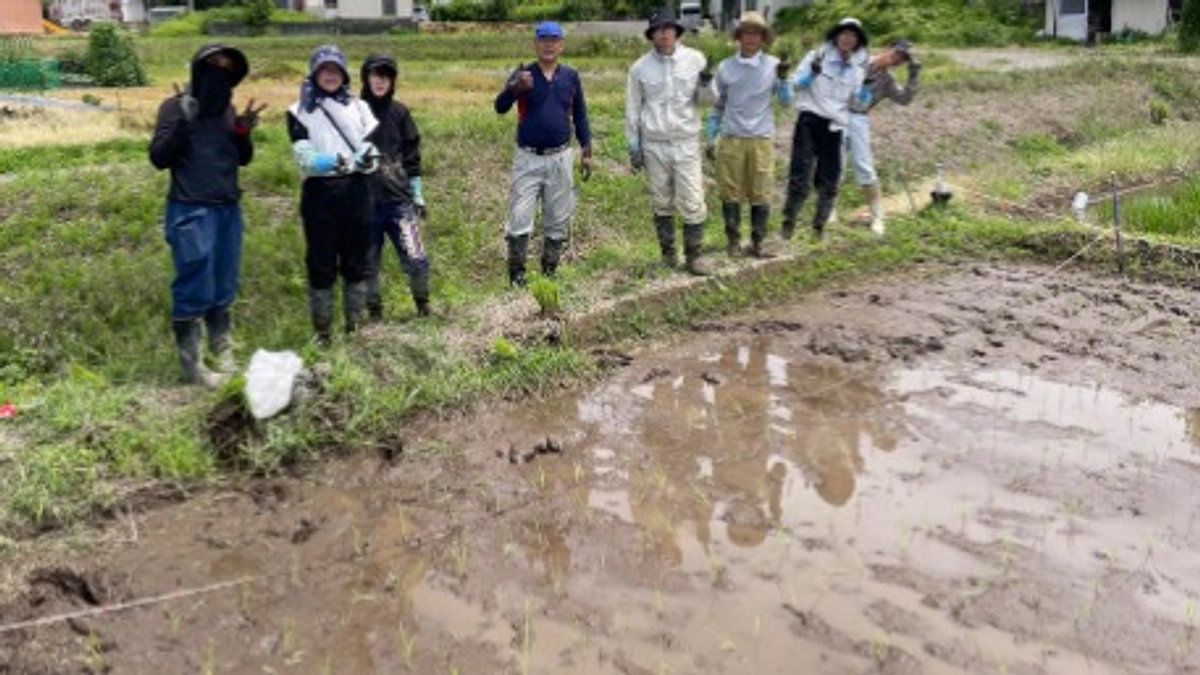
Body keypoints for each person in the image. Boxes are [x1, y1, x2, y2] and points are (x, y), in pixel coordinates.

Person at [149, 43, 264, 387]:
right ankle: (193, 366)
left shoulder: (227, 111)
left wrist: (243, 132)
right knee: (194, 283)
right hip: (191, 208)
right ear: (198, 69)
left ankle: (222, 350)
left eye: (226, 68)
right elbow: (158, 158)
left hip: (227, 207)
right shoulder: (175, 107)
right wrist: (183, 124)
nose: (219, 72)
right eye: (213, 64)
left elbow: (243, 159)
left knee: (224, 282)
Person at [287, 44, 380, 344]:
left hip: (356, 189)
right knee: (321, 261)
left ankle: (355, 328)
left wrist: (369, 158)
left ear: (344, 73)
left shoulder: (360, 107)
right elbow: (303, 154)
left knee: (357, 259)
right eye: (324, 69)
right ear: (314, 73)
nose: (330, 75)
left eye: (335, 69)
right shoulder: (299, 110)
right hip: (319, 192)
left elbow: (371, 146)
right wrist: (326, 161)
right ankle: (323, 332)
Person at [495, 21, 593, 287]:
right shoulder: (523, 74)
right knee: (519, 216)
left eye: (554, 40)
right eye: (543, 40)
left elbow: (580, 115)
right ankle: (517, 275)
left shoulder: (570, 76)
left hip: (561, 157)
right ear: (535, 44)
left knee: (558, 217)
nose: (549, 45)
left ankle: (550, 270)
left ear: (561, 45)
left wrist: (586, 150)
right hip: (528, 158)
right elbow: (499, 107)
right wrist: (514, 89)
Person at [626, 6, 711, 276]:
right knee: (661, 200)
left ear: (676, 31)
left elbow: (708, 102)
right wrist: (634, 145)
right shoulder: (639, 68)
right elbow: (633, 108)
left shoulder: (695, 60)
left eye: (668, 29)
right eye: (658, 30)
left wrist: (707, 86)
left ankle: (694, 256)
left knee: (692, 199)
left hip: (686, 141)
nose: (663, 34)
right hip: (654, 143)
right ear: (652, 34)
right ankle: (668, 256)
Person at [706, 10, 792, 259]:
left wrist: (784, 79)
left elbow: (786, 102)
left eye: (756, 33)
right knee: (729, 191)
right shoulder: (726, 67)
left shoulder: (773, 65)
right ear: (739, 37)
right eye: (747, 33)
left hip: (761, 138)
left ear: (763, 38)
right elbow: (718, 105)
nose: (751, 38)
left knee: (761, 190)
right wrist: (710, 137)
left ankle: (758, 242)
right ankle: (733, 242)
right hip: (731, 137)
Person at [781, 17, 869, 240]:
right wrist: (811, 74)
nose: (847, 39)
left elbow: (858, 102)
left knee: (830, 179)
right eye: (844, 33)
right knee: (800, 174)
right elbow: (795, 84)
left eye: (853, 35)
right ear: (836, 36)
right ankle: (788, 223)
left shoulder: (857, 70)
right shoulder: (817, 56)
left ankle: (819, 227)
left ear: (857, 41)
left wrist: (866, 92)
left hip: (835, 127)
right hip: (810, 121)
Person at [359, 53, 430, 319]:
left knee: (416, 256)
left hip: (400, 201)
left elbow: (412, 156)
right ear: (366, 78)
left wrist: (417, 194)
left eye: (386, 76)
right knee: (367, 262)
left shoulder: (400, 113)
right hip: (364, 203)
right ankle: (374, 313)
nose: (380, 81)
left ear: (393, 80)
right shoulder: (353, 112)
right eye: (375, 75)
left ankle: (423, 306)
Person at [845, 38, 920, 235]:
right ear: (887, 48)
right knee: (832, 165)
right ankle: (828, 212)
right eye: (896, 53)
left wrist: (913, 76)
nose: (897, 59)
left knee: (864, 167)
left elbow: (904, 99)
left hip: (859, 118)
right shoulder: (858, 61)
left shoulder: (887, 80)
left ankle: (877, 215)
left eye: (903, 59)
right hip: (836, 113)